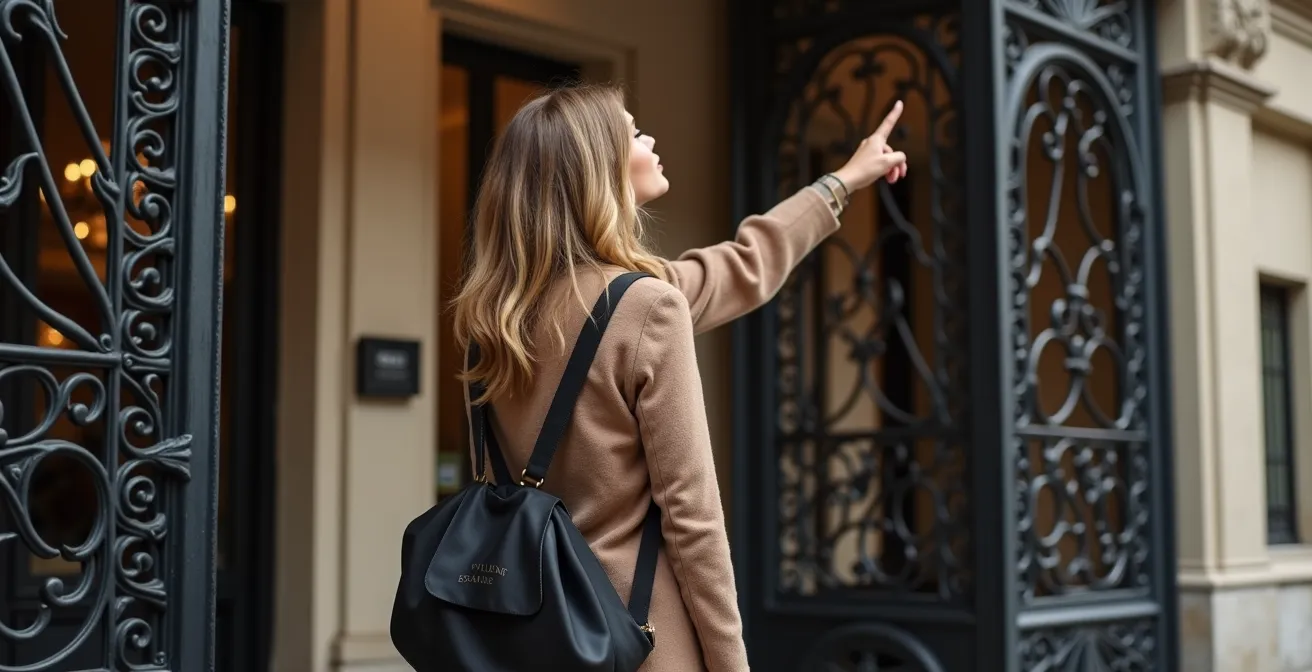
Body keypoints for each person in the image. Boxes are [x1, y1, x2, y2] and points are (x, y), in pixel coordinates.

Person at [451, 83, 906, 672]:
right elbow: (694, 521)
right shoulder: (643, 307)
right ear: (600, 168)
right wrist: (730, 663)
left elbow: (741, 264)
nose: (651, 139)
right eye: (634, 131)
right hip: (636, 642)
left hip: (525, 638)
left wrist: (841, 179)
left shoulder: (491, 319)